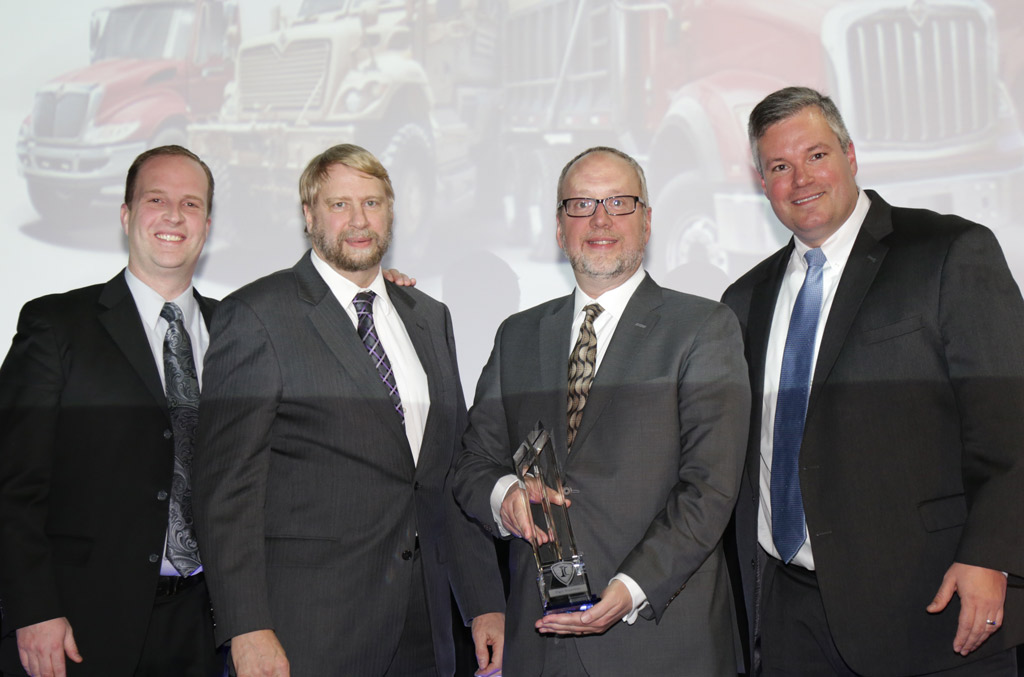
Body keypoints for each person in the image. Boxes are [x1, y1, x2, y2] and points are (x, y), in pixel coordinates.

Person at [721, 86, 1024, 676]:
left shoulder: (949, 251)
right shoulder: (743, 300)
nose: (800, 179)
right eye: (779, 166)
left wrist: (994, 558)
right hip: (789, 620)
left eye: (816, 155)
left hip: (935, 608)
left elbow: (1012, 422)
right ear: (763, 184)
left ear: (851, 155)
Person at [192, 143, 505, 677]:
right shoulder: (257, 315)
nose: (359, 220)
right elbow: (226, 492)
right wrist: (246, 627)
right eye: (339, 205)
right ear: (309, 215)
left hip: (425, 631)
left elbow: (446, 475)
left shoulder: (431, 317)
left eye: (373, 203)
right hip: (306, 634)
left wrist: (482, 601)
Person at [453, 146, 751, 675]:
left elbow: (710, 487)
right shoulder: (518, 335)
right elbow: (473, 463)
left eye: (619, 202)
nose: (600, 220)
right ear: (559, 227)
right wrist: (506, 497)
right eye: (581, 204)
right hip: (543, 644)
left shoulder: (703, 328)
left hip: (661, 640)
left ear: (648, 221)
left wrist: (632, 588)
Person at [0, 145, 223, 676]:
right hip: (79, 627)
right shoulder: (56, 326)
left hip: (205, 626)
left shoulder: (240, 330)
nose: (174, 215)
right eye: (156, 199)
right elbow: (11, 481)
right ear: (126, 216)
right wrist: (34, 609)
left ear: (207, 226)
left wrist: (381, 288)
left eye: (190, 204)